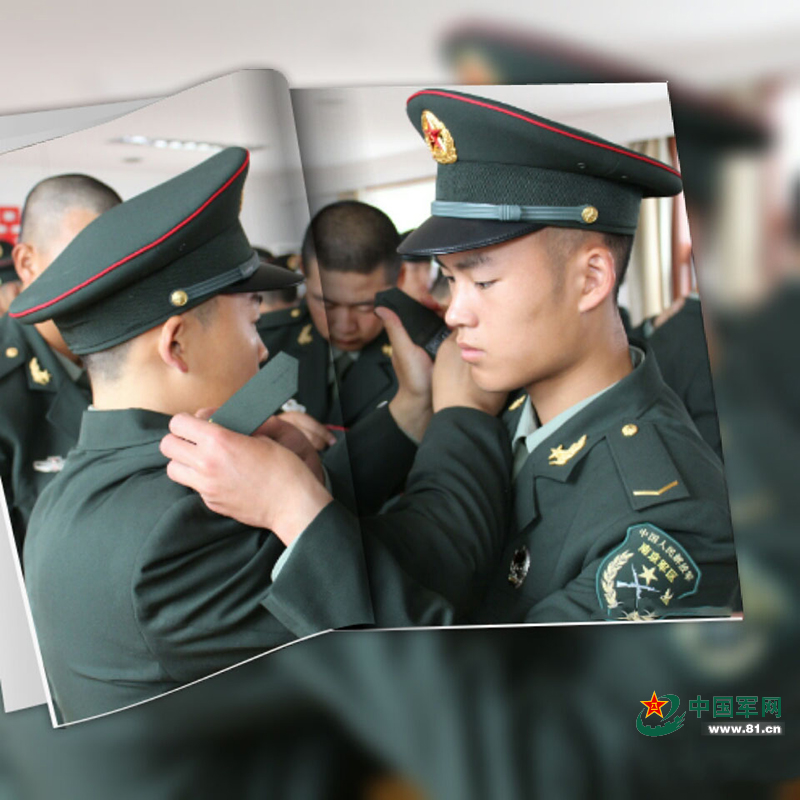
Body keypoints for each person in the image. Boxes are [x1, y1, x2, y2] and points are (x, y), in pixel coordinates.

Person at [164, 89, 739, 625]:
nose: (456, 312)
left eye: (483, 282)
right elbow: (434, 560)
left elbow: (497, 696)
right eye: (450, 281)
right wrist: (310, 491)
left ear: (590, 279)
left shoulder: (669, 520)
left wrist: (296, 511)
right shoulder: (508, 416)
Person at [13, 147, 511, 723]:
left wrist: (377, 433)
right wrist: (462, 413)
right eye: (251, 322)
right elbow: (411, 627)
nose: (262, 350)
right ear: (177, 344)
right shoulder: (182, 520)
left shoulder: (75, 492)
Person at [0, 175, 121, 554]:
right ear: (27, 263)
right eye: (82, 264)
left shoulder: (141, 357)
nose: (104, 285)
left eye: (118, 265)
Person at [257, 201, 402, 449]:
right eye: (326, 303)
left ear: (399, 278)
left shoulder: (424, 354)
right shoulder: (264, 344)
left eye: (364, 306)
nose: (344, 326)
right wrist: (266, 429)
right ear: (303, 270)